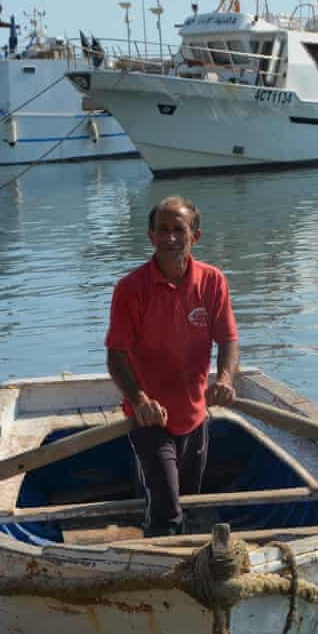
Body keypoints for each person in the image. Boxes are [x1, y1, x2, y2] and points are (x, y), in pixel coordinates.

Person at [105, 196, 239, 536]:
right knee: (168, 510)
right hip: (151, 418)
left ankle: (188, 560)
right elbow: (116, 355)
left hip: (195, 414)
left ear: (196, 236)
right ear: (150, 236)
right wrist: (140, 402)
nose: (170, 238)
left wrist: (224, 379)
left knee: (190, 501)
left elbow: (227, 340)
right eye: (162, 230)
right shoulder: (130, 289)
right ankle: (163, 572)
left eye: (178, 230)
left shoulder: (213, 281)